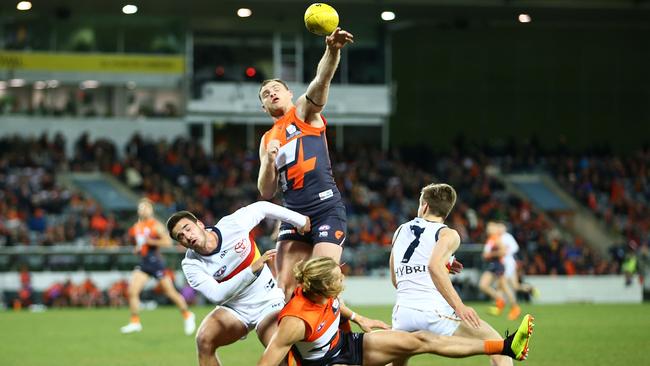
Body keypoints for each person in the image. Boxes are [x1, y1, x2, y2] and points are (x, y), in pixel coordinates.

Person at [258, 256, 534, 366]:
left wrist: (357, 317)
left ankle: (506, 346)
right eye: (339, 278)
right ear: (324, 287)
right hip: (326, 363)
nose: (343, 279)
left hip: (347, 345)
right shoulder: (295, 320)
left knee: (421, 339)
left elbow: (334, 306)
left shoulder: (323, 292)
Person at [257, 27, 354, 300]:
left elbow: (321, 81)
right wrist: (268, 161)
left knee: (322, 284)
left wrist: (332, 50)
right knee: (285, 290)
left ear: (290, 94)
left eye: (276, 89)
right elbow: (265, 192)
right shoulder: (267, 140)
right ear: (263, 108)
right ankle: (294, 343)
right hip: (293, 215)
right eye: (266, 94)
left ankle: (338, 338)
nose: (271, 93)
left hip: (325, 208)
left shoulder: (303, 113)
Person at [389, 183, 522, 366]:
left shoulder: (400, 231)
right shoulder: (448, 234)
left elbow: (396, 279)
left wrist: (443, 265)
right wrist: (459, 306)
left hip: (401, 314)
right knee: (499, 347)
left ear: (425, 205)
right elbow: (434, 266)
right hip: (432, 312)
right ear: (447, 211)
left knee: (396, 362)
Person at [165, 201, 310, 366]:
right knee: (204, 339)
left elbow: (262, 207)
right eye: (180, 236)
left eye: (188, 229)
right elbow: (217, 294)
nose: (187, 236)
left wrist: (300, 220)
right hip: (235, 310)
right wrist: (251, 271)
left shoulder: (232, 225)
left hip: (268, 302)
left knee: (282, 357)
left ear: (200, 224)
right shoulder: (191, 264)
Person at [120, 199, 196, 335]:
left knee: (170, 292)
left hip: (155, 262)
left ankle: (188, 315)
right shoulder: (137, 226)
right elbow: (140, 243)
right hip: (144, 261)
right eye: (141, 207)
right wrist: (139, 248)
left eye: (146, 207)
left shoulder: (156, 225)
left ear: (151, 210)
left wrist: (150, 241)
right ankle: (135, 322)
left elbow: (167, 242)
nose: (143, 210)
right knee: (132, 291)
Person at [479, 221, 518, 320]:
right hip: (493, 265)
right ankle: (501, 301)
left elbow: (503, 251)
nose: (488, 229)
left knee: (503, 287)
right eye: (488, 227)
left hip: (498, 265)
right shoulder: (491, 239)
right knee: (484, 285)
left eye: (491, 227)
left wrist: (490, 255)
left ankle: (514, 307)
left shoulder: (497, 239)